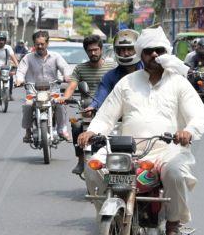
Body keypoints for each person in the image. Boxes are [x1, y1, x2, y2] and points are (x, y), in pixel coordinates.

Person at [78, 26, 204, 235]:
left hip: (167, 150)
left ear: (166, 51)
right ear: (141, 54)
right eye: (148, 51)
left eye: (159, 50)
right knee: (92, 165)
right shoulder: (126, 83)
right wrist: (93, 131)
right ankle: (107, 220)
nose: (154, 55)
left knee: (176, 170)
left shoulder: (178, 83)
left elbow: (197, 115)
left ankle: (173, 224)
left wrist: (188, 132)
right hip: (126, 150)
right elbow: (106, 116)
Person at [59, 34, 117, 175]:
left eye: (96, 49)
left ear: (101, 50)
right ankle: (80, 160)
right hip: (87, 109)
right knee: (76, 126)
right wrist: (65, 97)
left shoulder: (113, 66)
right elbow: (72, 85)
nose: (93, 53)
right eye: (90, 50)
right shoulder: (80, 68)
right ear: (86, 51)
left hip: (111, 109)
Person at [15, 30, 71, 143]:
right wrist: (19, 80)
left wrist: (66, 76)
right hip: (33, 93)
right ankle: (28, 131)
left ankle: (62, 129)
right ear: (34, 45)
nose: (40, 46)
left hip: (53, 92)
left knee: (61, 104)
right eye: (37, 44)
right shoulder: (28, 58)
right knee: (27, 105)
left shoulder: (56, 57)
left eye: (42, 44)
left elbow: (65, 68)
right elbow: (21, 71)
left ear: (47, 43)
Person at [86, 29, 144, 112]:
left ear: (138, 49)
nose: (126, 53)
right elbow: (102, 94)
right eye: (122, 50)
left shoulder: (149, 71)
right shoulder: (110, 76)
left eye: (130, 49)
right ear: (116, 51)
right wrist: (92, 106)